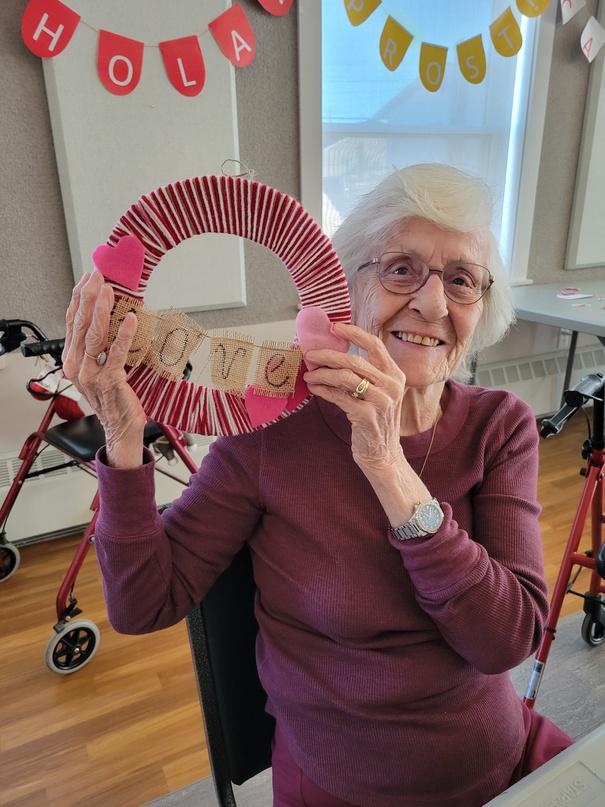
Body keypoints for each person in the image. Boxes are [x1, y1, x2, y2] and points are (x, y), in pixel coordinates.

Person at [62, 164, 572, 806]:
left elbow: (506, 642)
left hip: (501, 762)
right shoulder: (268, 434)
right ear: (345, 287)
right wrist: (121, 433)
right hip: (343, 785)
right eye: (401, 269)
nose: (433, 304)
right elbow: (143, 604)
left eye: (461, 280)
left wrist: (388, 466)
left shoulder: (500, 425)